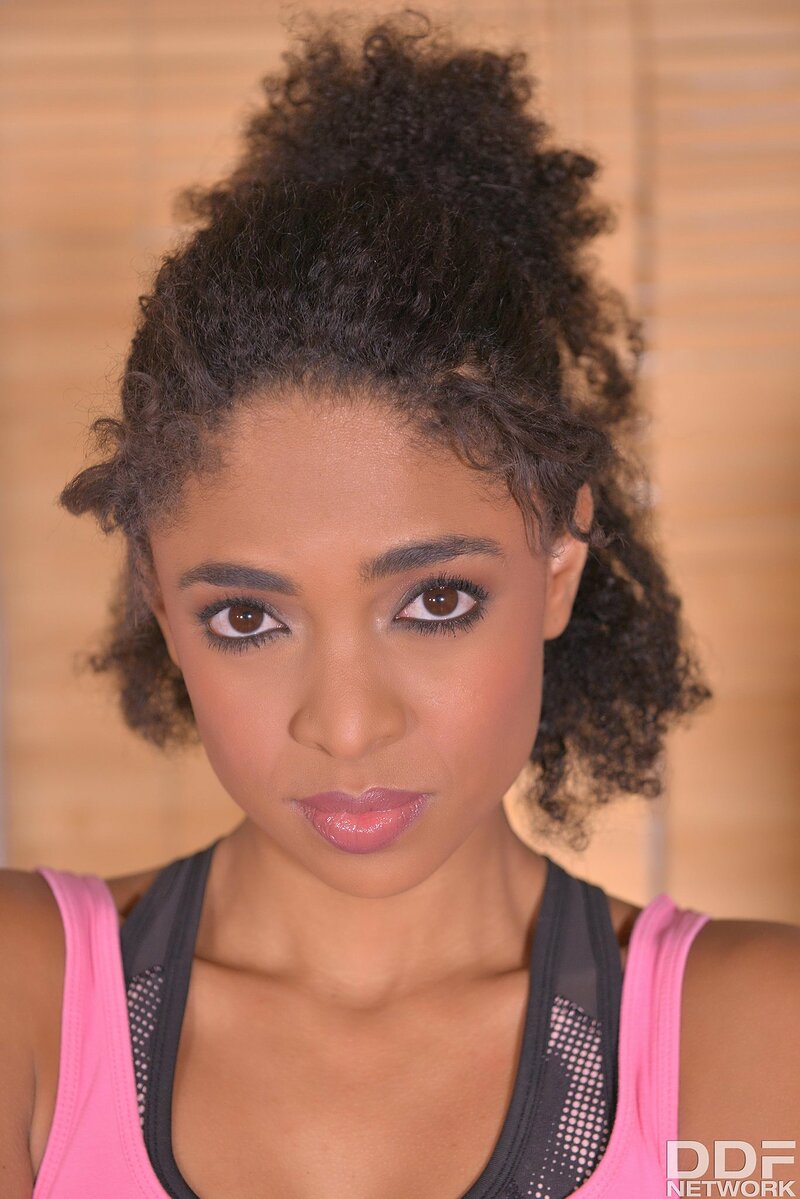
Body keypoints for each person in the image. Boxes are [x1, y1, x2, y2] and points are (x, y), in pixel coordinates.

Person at [2, 9, 798, 1198]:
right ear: (157, 596)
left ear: (559, 563)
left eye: (433, 599)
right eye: (247, 617)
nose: (346, 725)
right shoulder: (26, 995)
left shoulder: (749, 1043)